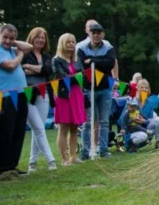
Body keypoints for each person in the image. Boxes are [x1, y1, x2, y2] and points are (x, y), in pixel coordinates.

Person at [0, 24, 33, 178]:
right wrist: (19, 55)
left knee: (19, 131)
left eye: (11, 38)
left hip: (20, 94)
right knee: (6, 131)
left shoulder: (11, 48)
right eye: (5, 37)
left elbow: (29, 47)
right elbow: (10, 66)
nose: (7, 41)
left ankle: (13, 165)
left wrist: (14, 43)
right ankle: (4, 168)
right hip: (4, 96)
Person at [77, 22, 117, 159]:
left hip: (105, 88)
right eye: (93, 32)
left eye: (98, 32)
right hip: (88, 89)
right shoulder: (81, 48)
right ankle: (85, 152)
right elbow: (83, 65)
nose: (96, 35)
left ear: (103, 34)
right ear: (89, 34)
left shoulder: (108, 47)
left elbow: (110, 64)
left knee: (104, 121)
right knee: (87, 122)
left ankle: (104, 150)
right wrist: (101, 62)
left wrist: (93, 60)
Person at [22, 27, 56, 173]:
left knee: (38, 128)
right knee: (39, 128)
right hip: (27, 94)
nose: (40, 40)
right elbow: (20, 69)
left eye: (43, 38)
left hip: (44, 94)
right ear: (32, 38)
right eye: (38, 37)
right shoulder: (23, 54)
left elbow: (48, 70)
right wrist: (38, 68)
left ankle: (32, 163)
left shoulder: (47, 56)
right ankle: (51, 161)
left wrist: (29, 67)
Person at [52, 33, 85, 166]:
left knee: (75, 128)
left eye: (73, 42)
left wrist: (76, 77)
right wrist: (76, 77)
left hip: (77, 95)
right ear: (62, 44)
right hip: (63, 95)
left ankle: (73, 156)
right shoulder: (56, 60)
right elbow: (60, 76)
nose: (71, 44)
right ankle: (64, 158)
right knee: (63, 127)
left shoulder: (77, 59)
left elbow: (83, 75)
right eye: (68, 42)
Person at [135, 79, 159, 147]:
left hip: (146, 131)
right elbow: (121, 121)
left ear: (149, 90)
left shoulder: (150, 103)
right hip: (133, 130)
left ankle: (158, 143)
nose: (144, 89)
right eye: (141, 87)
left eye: (146, 87)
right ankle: (131, 144)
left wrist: (143, 121)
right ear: (137, 88)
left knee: (158, 120)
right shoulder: (132, 101)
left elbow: (150, 121)